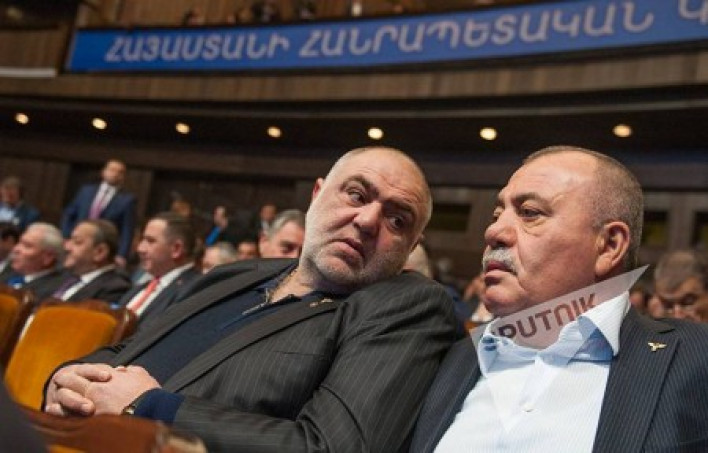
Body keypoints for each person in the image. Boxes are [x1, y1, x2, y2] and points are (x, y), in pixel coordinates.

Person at [44, 146, 460, 452]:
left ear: (410, 248)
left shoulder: (404, 307)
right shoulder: (235, 274)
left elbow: (331, 447)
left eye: (397, 220)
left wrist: (150, 407)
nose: (368, 220)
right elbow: (131, 349)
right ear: (316, 195)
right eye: (356, 194)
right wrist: (64, 379)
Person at [411, 146, 708, 452]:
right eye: (497, 215)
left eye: (530, 213)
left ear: (609, 246)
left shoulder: (696, 358)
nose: (493, 231)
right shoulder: (449, 360)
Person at [114, 212, 200, 325]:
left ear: (176, 249)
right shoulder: (141, 287)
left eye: (150, 241)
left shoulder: (192, 291)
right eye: (142, 240)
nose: (140, 249)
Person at [61, 159, 136, 267]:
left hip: (102, 245)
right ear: (103, 172)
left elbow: (127, 230)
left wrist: (122, 254)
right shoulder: (86, 191)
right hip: (77, 239)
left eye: (119, 172)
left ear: (123, 177)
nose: (115, 174)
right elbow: (69, 214)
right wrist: (65, 236)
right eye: (112, 170)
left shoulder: (127, 200)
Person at [55, 219, 132, 304]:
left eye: (77, 242)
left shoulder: (114, 289)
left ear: (100, 252)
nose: (67, 247)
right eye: (70, 240)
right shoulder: (65, 277)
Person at [1, 222, 66, 302]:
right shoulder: (8, 274)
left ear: (48, 257)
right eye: (19, 243)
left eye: (27, 246)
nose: (16, 249)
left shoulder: (52, 290)